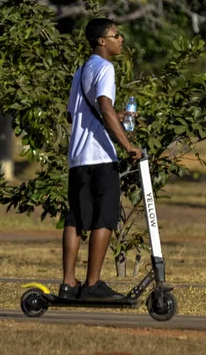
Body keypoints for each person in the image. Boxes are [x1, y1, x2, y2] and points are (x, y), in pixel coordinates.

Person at [60, 18, 142, 299]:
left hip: (78, 159)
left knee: (76, 219)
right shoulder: (105, 68)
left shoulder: (81, 70)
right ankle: (92, 284)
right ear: (101, 41)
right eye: (116, 35)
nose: (122, 39)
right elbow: (105, 107)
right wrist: (127, 144)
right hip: (100, 157)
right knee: (104, 218)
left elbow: (73, 114)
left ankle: (69, 284)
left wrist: (116, 118)